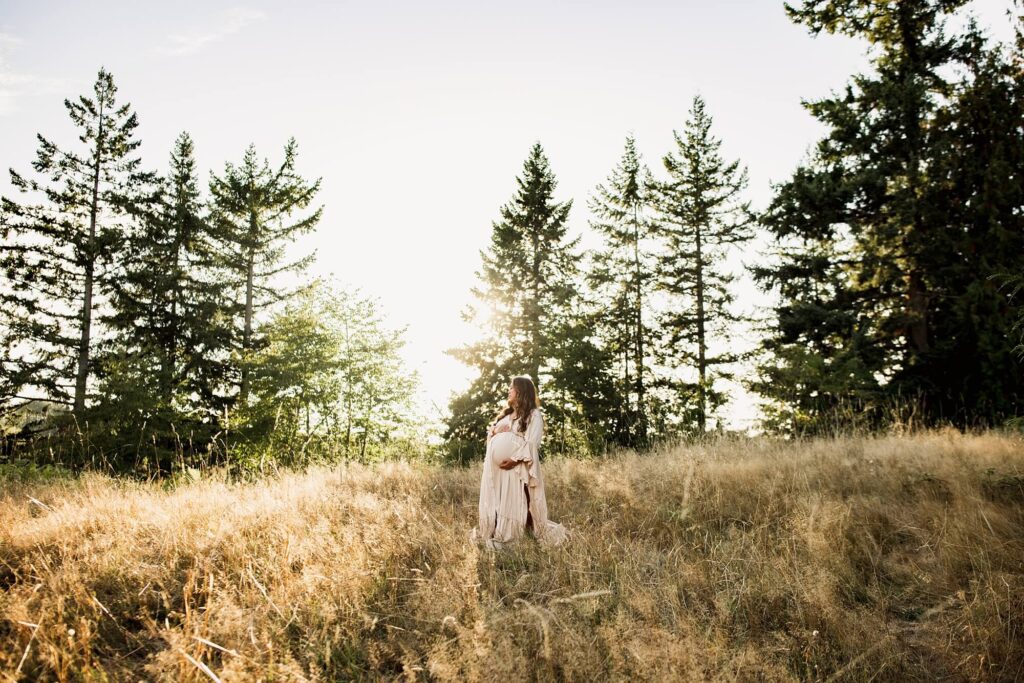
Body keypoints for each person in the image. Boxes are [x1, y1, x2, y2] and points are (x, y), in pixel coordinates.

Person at [470, 375, 568, 549]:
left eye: (511, 388)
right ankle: (496, 531)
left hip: (517, 469)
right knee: (498, 502)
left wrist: (514, 460)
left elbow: (532, 443)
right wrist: (495, 433)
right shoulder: (505, 415)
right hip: (498, 470)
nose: (509, 391)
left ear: (521, 391)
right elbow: (492, 439)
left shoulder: (533, 415)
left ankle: (518, 535)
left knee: (520, 502)